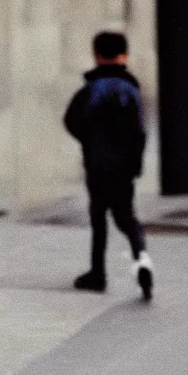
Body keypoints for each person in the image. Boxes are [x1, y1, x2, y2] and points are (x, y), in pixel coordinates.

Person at [63, 31, 154, 300]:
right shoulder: (131, 90)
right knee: (127, 217)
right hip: (123, 168)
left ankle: (98, 272)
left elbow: (71, 120)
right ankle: (142, 258)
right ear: (124, 56)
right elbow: (139, 132)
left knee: (98, 217)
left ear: (97, 55)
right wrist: (135, 164)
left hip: (98, 165)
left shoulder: (91, 90)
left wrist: (89, 142)